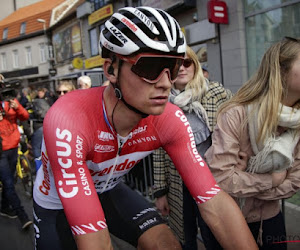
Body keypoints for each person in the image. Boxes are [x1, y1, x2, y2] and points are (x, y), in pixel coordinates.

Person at [32, 6, 257, 250]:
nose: (165, 83)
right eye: (150, 68)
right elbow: (96, 243)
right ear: (111, 70)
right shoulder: (68, 120)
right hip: (56, 204)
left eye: (172, 68)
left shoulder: (169, 118)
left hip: (109, 190)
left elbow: (214, 202)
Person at [205, 37, 300, 250]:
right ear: (281, 71)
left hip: (270, 220)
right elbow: (221, 179)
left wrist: (245, 178)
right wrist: (272, 180)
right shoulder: (236, 114)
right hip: (227, 219)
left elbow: (294, 183)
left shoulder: (298, 124)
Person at [153, 46, 232, 249]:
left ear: (195, 65)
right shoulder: (161, 102)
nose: (181, 68)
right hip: (179, 183)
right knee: (185, 238)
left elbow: (236, 130)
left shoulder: (216, 92)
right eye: (175, 63)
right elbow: (159, 150)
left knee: (214, 235)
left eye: (186, 62)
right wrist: (160, 192)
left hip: (212, 180)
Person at [0, 85, 32, 229]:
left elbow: (25, 116)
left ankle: (4, 207)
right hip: (1, 150)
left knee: (10, 180)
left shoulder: (10, 102)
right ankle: (22, 216)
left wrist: (17, 107)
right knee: (8, 183)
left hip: (13, 147)